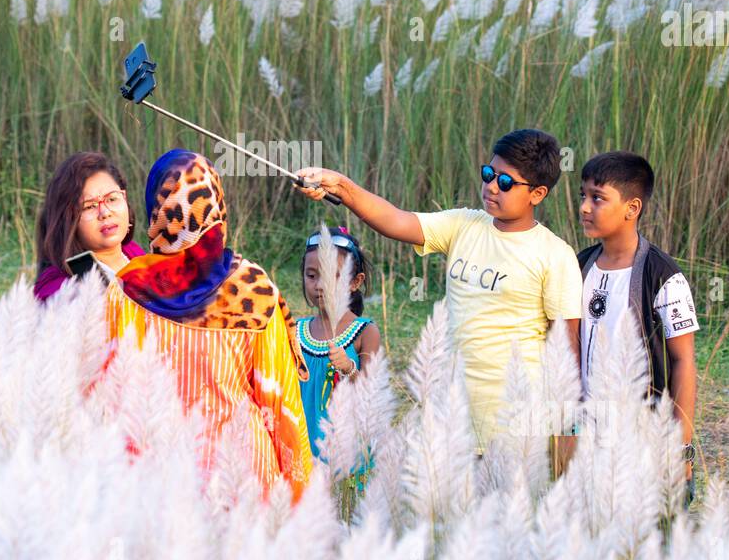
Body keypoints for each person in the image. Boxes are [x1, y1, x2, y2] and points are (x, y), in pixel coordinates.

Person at [297, 129, 583, 451]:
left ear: (538, 193)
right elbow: (393, 220)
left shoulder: (555, 255)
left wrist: (566, 431)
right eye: (489, 173)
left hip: (514, 428)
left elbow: (566, 351)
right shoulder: (464, 225)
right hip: (452, 419)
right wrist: (341, 186)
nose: (490, 186)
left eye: (505, 183)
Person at [105, 150, 312, 498]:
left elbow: (113, 397)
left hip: (160, 486)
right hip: (246, 485)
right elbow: (281, 405)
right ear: (217, 207)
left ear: (156, 211)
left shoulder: (127, 289)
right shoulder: (255, 290)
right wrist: (301, 496)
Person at [576, 151, 699, 504]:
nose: (585, 207)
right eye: (582, 195)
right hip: (586, 436)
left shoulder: (664, 275)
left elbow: (684, 363)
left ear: (632, 208)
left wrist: (680, 450)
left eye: (597, 198)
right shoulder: (578, 266)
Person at [296, 226, 382, 484]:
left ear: (355, 282)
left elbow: (372, 395)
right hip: (304, 447)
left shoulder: (364, 332)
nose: (320, 285)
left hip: (346, 453)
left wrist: (348, 369)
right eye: (312, 275)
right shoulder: (296, 331)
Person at [34, 152, 145, 302]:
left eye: (112, 199)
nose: (105, 213)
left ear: (124, 198)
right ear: (67, 220)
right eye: (89, 207)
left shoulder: (132, 252)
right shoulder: (59, 289)